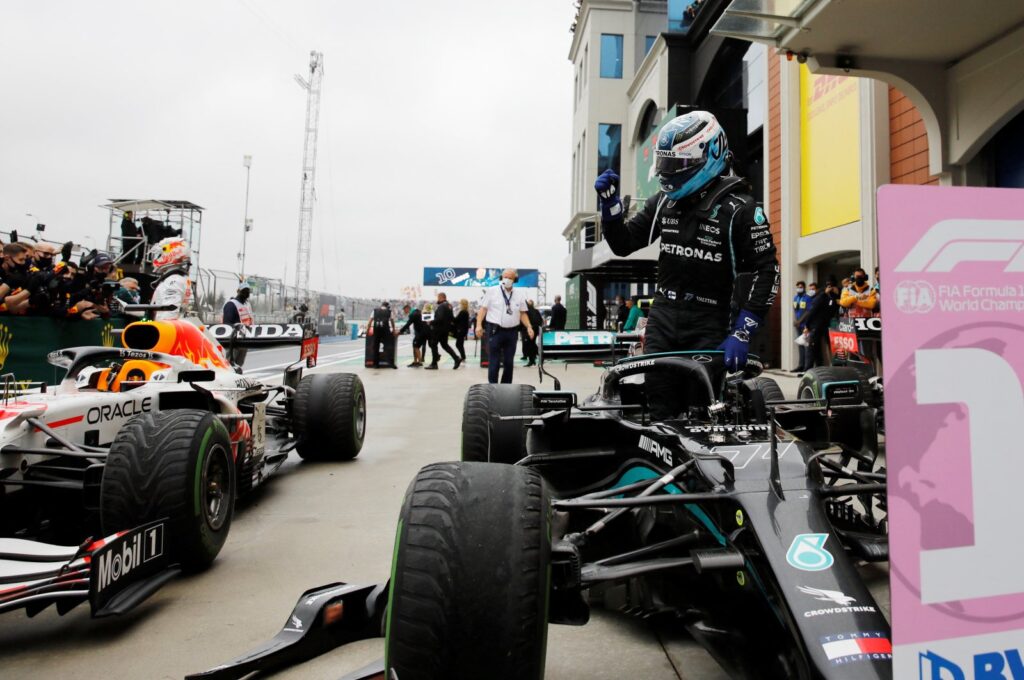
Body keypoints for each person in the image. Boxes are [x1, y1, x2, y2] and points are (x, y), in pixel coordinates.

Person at [594, 110, 779, 418]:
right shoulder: (664, 201)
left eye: (677, 164)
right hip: (663, 316)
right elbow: (624, 244)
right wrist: (611, 209)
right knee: (660, 410)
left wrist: (743, 331)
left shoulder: (742, 210)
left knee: (701, 413)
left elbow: (767, 271)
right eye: (666, 163)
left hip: (710, 321)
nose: (669, 172)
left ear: (711, 153)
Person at [475, 268, 535, 384]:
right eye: (504, 277)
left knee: (509, 362)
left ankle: (506, 387)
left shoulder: (519, 294)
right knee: (494, 362)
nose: (506, 279)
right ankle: (493, 387)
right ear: (501, 278)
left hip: (511, 332)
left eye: (510, 277)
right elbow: (483, 309)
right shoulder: (492, 291)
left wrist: (529, 326)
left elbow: (522, 313)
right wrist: (478, 325)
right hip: (495, 331)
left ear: (515, 280)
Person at [150, 237, 192, 320]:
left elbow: (169, 314)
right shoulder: (180, 278)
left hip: (165, 329)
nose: (159, 257)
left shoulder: (172, 281)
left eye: (161, 253)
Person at [801, 280, 840, 368]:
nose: (831, 289)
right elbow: (812, 311)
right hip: (816, 325)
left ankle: (830, 366)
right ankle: (808, 369)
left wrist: (837, 294)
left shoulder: (833, 297)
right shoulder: (820, 296)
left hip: (827, 325)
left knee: (830, 346)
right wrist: (807, 325)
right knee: (813, 347)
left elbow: (836, 307)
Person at [222, 282, 255, 368]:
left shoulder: (247, 305)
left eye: (248, 291)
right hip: (234, 341)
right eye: (244, 291)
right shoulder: (231, 304)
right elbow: (227, 325)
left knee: (239, 365)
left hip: (244, 340)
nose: (246, 293)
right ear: (238, 291)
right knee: (229, 365)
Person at [426, 292, 461, 370]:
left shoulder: (442, 306)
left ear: (441, 297)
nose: (437, 299)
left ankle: (434, 363)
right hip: (446, 329)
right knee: (445, 345)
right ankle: (456, 358)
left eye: (438, 298)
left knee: (433, 344)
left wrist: (431, 321)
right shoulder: (449, 306)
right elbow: (452, 318)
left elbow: (440, 318)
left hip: (439, 329)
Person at [397, 303, 429, 367]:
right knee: (415, 345)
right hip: (424, 331)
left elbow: (407, 324)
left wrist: (400, 332)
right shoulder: (418, 311)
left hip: (420, 332)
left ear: (407, 308)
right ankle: (415, 361)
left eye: (405, 310)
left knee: (416, 346)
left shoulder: (413, 314)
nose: (404, 312)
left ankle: (419, 362)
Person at [370, 301, 397, 368]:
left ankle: (375, 364)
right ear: (387, 306)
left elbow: (370, 321)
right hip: (385, 330)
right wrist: (393, 330)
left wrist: (368, 329)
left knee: (376, 347)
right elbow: (392, 321)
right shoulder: (389, 311)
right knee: (388, 346)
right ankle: (391, 363)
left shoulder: (375, 311)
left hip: (376, 329)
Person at [791, 280, 810, 372]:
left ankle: (806, 367)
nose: (799, 288)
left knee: (806, 345)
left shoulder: (807, 298)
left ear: (804, 288)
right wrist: (795, 321)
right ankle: (800, 365)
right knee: (800, 345)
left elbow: (808, 311)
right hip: (798, 325)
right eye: (798, 287)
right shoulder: (795, 298)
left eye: (801, 287)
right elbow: (795, 310)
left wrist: (800, 321)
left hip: (805, 325)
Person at [523, 299, 544, 366]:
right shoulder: (536, 311)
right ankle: (535, 358)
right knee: (532, 344)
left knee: (530, 345)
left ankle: (533, 360)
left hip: (529, 330)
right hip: (536, 329)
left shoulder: (526, 311)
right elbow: (540, 320)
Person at [453, 299, 470, 363]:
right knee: (460, 344)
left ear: (462, 304)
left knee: (458, 344)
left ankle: (463, 357)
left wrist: (451, 317)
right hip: (464, 330)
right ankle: (463, 356)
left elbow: (456, 320)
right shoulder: (466, 312)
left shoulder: (462, 312)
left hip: (461, 330)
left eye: (460, 303)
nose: (459, 305)